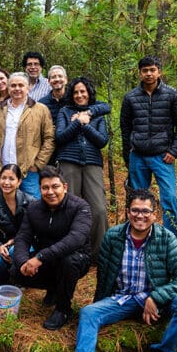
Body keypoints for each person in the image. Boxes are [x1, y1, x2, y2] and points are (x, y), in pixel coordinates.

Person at [51, 189, 177, 352]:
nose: (140, 216)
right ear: (127, 212)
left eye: (146, 211)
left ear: (154, 214)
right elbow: (104, 276)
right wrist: (99, 305)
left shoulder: (166, 239)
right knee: (89, 312)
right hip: (123, 298)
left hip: (156, 300)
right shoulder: (113, 236)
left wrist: (156, 296)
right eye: (135, 210)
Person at [13, 166, 91, 330]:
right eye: (45, 188)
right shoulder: (34, 208)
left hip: (76, 258)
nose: (50, 192)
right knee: (15, 271)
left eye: (55, 186)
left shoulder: (80, 207)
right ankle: (54, 288)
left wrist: (39, 258)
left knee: (68, 262)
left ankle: (63, 309)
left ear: (65, 187)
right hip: (48, 260)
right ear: (40, 189)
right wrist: (22, 262)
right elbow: (23, 237)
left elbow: (76, 239)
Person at [120, 56, 177, 235]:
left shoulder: (171, 95)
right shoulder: (130, 97)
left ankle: (170, 238)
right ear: (140, 73)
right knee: (138, 200)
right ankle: (138, 236)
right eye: (145, 71)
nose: (149, 74)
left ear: (159, 71)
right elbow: (125, 129)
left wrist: (174, 151)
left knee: (169, 198)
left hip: (163, 156)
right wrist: (128, 156)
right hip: (138, 156)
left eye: (152, 70)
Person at [55, 77, 110, 263]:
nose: (79, 95)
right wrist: (77, 122)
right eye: (76, 92)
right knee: (68, 207)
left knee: (99, 209)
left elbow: (102, 141)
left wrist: (85, 123)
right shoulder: (64, 111)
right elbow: (60, 137)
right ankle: (69, 251)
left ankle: (98, 255)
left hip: (93, 163)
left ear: (88, 93)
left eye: (83, 91)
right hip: (68, 161)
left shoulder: (98, 114)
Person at [0, 72, 55, 199]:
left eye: (20, 85)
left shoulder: (40, 109)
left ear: (28, 87)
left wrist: (38, 164)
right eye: (13, 85)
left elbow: (49, 138)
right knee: (4, 209)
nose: (17, 89)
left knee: (32, 207)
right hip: (3, 170)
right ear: (8, 88)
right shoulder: (0, 109)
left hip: (28, 171)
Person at [0, 164, 30, 285]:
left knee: (15, 250)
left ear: (19, 182)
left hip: (22, 243)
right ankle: (2, 280)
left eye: (11, 179)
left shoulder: (30, 201)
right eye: (3, 178)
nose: (6, 182)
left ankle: (20, 278)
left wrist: (14, 241)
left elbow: (33, 231)